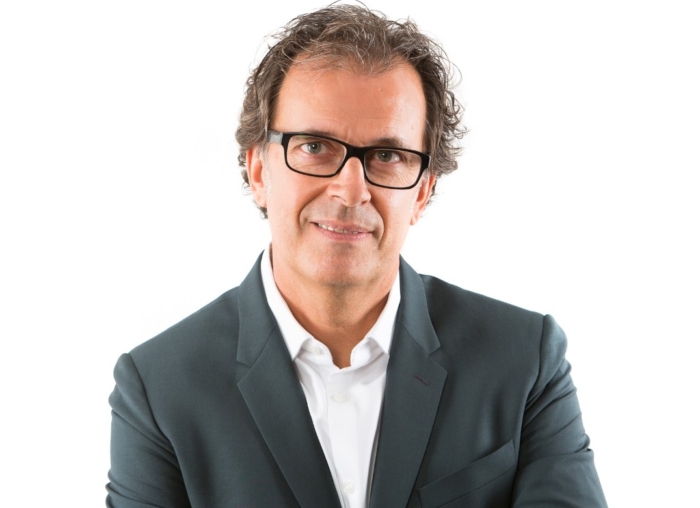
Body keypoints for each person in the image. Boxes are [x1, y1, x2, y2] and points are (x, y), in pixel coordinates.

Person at [106, 4, 606, 507]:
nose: (350, 191)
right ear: (258, 171)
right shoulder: (158, 389)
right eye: (314, 147)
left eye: (387, 156)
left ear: (423, 192)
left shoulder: (525, 361)